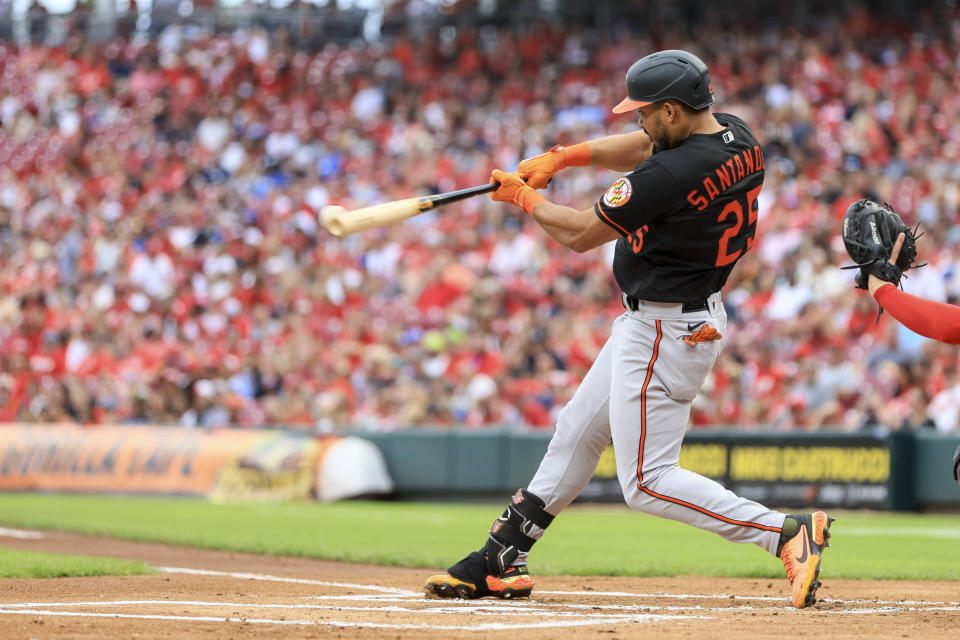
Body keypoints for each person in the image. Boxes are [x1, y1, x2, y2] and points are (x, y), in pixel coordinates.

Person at [424, 50, 833, 609]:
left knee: (646, 481)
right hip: (667, 317)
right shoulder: (735, 135)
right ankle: (500, 556)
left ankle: (783, 533)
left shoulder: (672, 172)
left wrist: (524, 198)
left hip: (666, 327)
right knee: (578, 431)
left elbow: (578, 234)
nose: (636, 121)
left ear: (671, 110)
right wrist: (564, 157)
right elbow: (644, 147)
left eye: (643, 111)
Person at [867, 232, 960, 343]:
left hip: (926, 334)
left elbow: (945, 323)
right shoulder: (901, 274)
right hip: (903, 325)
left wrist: (883, 291)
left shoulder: (932, 274)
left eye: (919, 245)